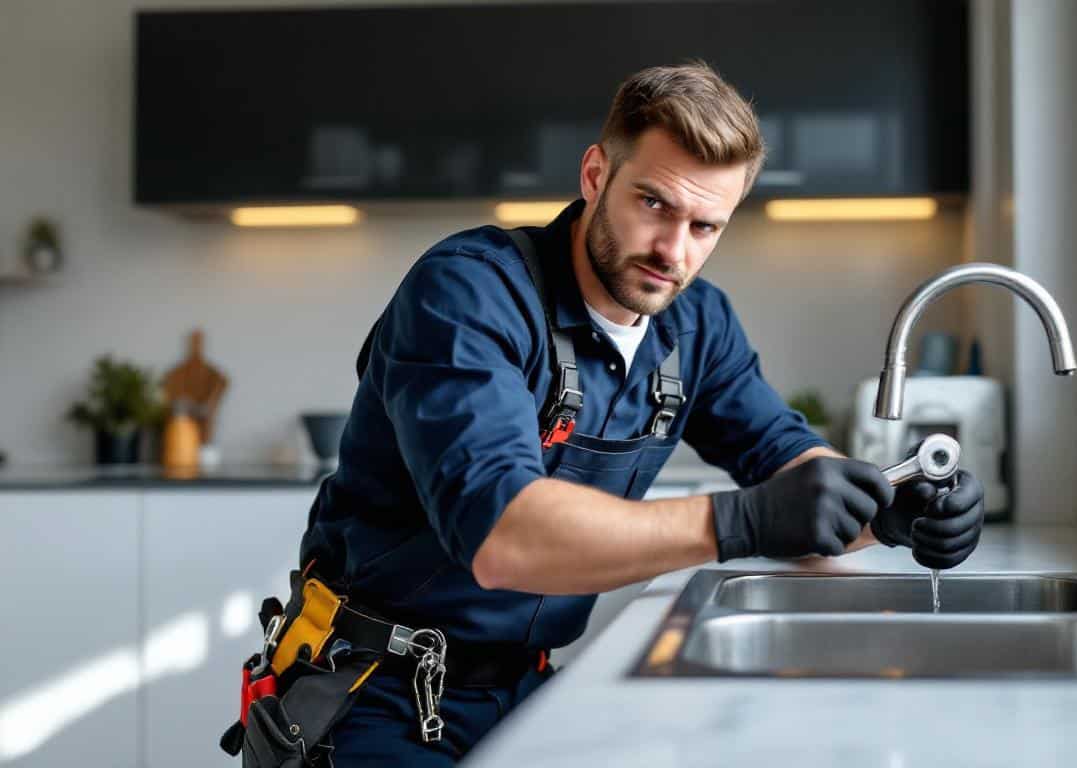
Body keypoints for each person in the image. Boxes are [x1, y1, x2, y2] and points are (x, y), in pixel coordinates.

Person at [298, 62, 985, 765]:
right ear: (596, 175)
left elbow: (790, 463)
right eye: (654, 204)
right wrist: (741, 521)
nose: (672, 252)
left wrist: (891, 507)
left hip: (526, 685)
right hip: (370, 693)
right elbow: (503, 538)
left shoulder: (697, 325)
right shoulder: (471, 291)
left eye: (705, 226)